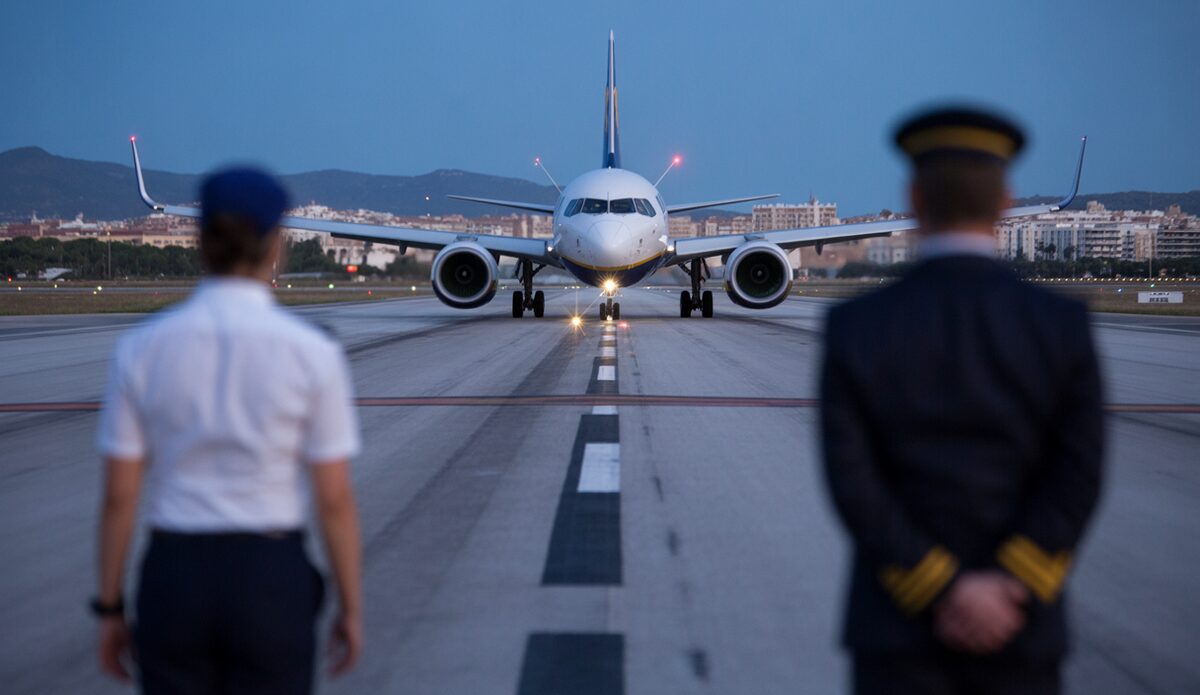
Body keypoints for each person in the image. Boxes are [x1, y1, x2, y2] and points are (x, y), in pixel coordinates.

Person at [820, 107, 1104, 695]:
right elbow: (1078, 477)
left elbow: (853, 483)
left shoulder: (856, 327)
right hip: (1019, 629)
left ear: (914, 199)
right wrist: (1009, 584)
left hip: (897, 630)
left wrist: (938, 586)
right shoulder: (1062, 325)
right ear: (1006, 201)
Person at [92, 168, 364, 694]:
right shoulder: (313, 351)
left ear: (200, 240)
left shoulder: (141, 347)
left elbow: (119, 497)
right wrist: (351, 609)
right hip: (269, 577)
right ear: (276, 243)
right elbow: (334, 500)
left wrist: (109, 608)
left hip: (175, 576)